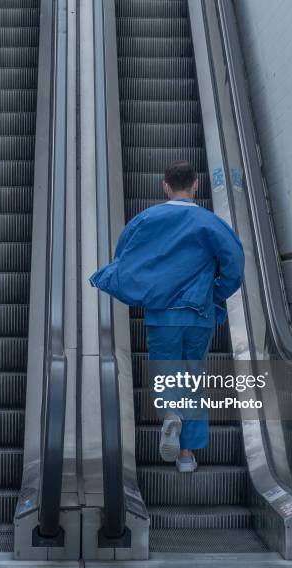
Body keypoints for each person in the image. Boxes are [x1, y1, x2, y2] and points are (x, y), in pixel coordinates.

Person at [90, 160, 245, 472]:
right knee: (194, 378)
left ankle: (171, 415)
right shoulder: (209, 222)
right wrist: (214, 292)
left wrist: (145, 287)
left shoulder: (145, 220)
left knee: (166, 374)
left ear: (165, 185)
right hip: (198, 314)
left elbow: (124, 260)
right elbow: (235, 262)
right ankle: (187, 454)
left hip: (162, 316)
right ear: (196, 184)